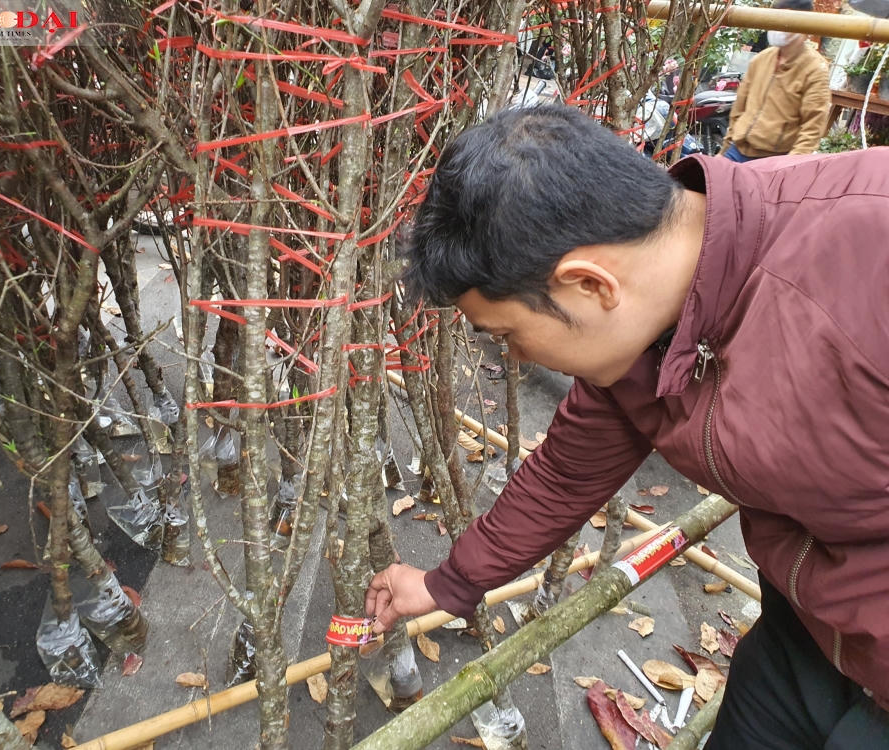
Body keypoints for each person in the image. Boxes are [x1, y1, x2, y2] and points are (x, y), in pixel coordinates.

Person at [364, 104, 889, 747]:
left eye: (507, 335)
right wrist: (446, 584)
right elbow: (566, 474)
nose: (516, 358)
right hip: (805, 631)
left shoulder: (867, 262)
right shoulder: (643, 337)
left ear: (589, 284)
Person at [718, 0, 831, 162]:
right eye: (775, 20)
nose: (777, 28)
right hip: (738, 149)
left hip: (772, 159)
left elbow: (812, 128)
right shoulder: (761, 59)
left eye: (784, 21)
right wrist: (725, 150)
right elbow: (739, 108)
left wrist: (787, 166)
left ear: (804, 27)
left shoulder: (814, 69)